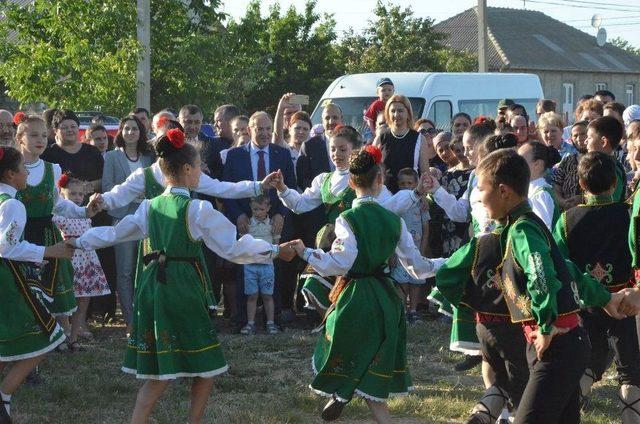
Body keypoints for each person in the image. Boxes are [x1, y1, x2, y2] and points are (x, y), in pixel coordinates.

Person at [69, 129, 295, 424]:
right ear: (188, 170)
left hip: (154, 287)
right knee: (205, 366)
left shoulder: (150, 207)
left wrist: (78, 241)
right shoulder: (198, 208)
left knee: (162, 369)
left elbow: (114, 233)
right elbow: (234, 248)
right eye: (200, 166)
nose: (202, 171)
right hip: (184, 288)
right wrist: (275, 251)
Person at [287, 145, 444, 423]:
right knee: (375, 356)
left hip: (355, 298)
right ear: (380, 180)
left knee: (344, 348)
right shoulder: (394, 221)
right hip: (387, 299)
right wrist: (448, 262)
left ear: (351, 182)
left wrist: (305, 252)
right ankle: (348, 397)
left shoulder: (347, 218)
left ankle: (343, 393)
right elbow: (417, 267)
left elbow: (339, 262)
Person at [474, 148, 623, 423]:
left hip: (558, 344)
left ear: (503, 191)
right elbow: (566, 268)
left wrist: (546, 325)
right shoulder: (519, 227)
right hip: (558, 344)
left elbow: (541, 274)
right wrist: (605, 298)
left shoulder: (522, 230)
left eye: (481, 189)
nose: (479, 197)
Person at [275, 126, 427, 313]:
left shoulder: (366, 179)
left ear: (355, 151)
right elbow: (300, 204)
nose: (336, 154)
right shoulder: (324, 180)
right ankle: (332, 325)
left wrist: (416, 193)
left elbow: (391, 205)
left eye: (342, 149)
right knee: (320, 288)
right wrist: (282, 188)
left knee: (352, 294)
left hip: (360, 243)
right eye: (332, 149)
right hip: (332, 243)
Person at [553, 152, 640, 421]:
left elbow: (560, 263)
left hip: (586, 302)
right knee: (630, 370)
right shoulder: (627, 213)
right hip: (624, 303)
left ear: (580, 184)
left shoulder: (566, 220)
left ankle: (569, 405)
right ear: (615, 183)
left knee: (591, 360)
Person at [0, 146, 75, 424]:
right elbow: (7, 248)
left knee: (7, 339)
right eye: (22, 169)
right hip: (8, 278)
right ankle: (4, 395)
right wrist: (48, 251)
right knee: (47, 337)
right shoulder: (13, 204)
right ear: (10, 174)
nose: (26, 174)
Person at [14, 115, 97, 339]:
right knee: (21, 287)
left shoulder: (53, 169)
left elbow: (58, 206)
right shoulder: (10, 168)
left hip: (45, 233)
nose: (40, 140)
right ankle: (27, 337)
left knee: (53, 285)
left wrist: (84, 211)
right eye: (33, 135)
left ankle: (63, 335)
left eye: (43, 135)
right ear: (20, 138)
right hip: (18, 234)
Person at [223, 111, 297, 328]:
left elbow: (291, 187)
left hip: (273, 224)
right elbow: (227, 190)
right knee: (244, 270)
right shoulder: (235, 155)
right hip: (246, 224)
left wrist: (281, 214)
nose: (264, 133)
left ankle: (272, 319)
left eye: (268, 129)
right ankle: (244, 319)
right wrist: (238, 215)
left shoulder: (282, 154)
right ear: (249, 130)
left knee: (274, 269)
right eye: (259, 129)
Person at [102, 115, 155, 334]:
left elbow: (155, 183)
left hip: (146, 216)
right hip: (122, 217)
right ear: (121, 133)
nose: (130, 132)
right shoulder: (112, 157)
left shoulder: (148, 157)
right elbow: (107, 185)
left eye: (134, 129)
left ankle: (147, 315)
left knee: (145, 268)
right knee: (124, 271)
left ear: (141, 132)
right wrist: (128, 197)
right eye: (126, 129)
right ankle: (130, 320)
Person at [53, 173, 110, 349]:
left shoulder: (86, 214)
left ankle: (74, 336)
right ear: (62, 194)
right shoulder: (57, 215)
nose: (77, 198)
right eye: (72, 194)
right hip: (68, 258)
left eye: (80, 194)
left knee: (84, 297)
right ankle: (64, 332)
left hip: (86, 258)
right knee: (66, 296)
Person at [391, 168, 430, 324]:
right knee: (402, 281)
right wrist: (392, 253)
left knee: (416, 281)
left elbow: (426, 229)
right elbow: (392, 229)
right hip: (400, 251)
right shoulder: (396, 202)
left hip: (416, 249)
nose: (406, 186)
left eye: (410, 183)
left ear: (416, 183)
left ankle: (413, 310)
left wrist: (422, 251)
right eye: (402, 183)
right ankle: (401, 311)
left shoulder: (422, 204)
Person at [373, 94, 430, 193]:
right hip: (385, 196)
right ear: (388, 114)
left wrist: (423, 196)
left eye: (400, 111)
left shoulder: (419, 139)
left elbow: (425, 173)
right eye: (392, 111)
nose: (396, 115)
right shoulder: (381, 138)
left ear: (408, 113)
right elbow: (372, 169)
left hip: (411, 196)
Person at [241, 195, 279, 335]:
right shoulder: (248, 224)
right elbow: (242, 244)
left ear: (268, 208)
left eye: (261, 209)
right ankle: (250, 323)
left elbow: (276, 246)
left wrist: (269, 256)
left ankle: (270, 323)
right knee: (252, 295)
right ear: (251, 208)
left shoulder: (272, 225)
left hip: (267, 266)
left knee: (267, 295)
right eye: (255, 209)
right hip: (250, 266)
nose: (258, 212)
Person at [518, 141, 561, 229]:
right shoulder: (532, 191)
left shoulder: (541, 194)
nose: (516, 165)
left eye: (521, 161)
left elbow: (544, 230)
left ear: (537, 164)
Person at [586, 116, 627, 202]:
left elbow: (612, 204)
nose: (585, 141)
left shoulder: (612, 169)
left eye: (589, 138)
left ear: (603, 142)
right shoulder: (599, 165)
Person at [552, 121, 588, 210]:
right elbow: (556, 188)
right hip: (567, 213)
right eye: (575, 136)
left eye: (583, 134)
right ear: (571, 139)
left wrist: (582, 199)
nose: (579, 138)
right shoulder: (567, 161)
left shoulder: (598, 161)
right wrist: (564, 203)